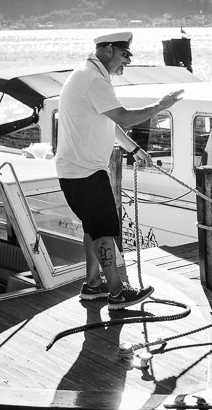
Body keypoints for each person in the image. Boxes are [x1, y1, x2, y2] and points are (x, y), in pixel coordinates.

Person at [56, 31, 184, 310]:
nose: (127, 62)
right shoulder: (94, 79)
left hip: (78, 171)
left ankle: (92, 285)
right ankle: (117, 292)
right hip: (86, 172)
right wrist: (161, 105)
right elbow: (124, 117)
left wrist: (135, 150)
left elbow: (110, 123)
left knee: (93, 227)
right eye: (125, 55)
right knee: (103, 230)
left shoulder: (87, 74)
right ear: (110, 50)